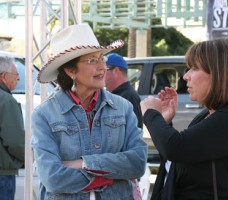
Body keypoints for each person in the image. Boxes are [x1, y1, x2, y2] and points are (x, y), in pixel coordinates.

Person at [31, 23, 147, 200]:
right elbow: (52, 178)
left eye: (102, 58)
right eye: (92, 60)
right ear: (71, 71)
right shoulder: (44, 114)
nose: (102, 67)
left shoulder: (123, 108)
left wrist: (83, 163)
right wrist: (109, 177)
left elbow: (138, 163)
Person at [141, 38, 228, 200]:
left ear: (220, 74)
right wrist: (164, 122)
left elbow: (175, 148)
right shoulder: (208, 115)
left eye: (194, 68)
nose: (186, 76)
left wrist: (151, 114)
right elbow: (180, 157)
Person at [0, 56, 25, 200]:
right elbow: (15, 142)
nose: (18, 79)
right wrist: (28, 159)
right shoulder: (6, 100)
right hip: (2, 175)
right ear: (3, 76)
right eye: (16, 75)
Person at [105, 53, 143, 129]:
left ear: (115, 70)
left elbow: (134, 132)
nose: (100, 73)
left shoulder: (128, 96)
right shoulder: (112, 95)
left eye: (104, 69)